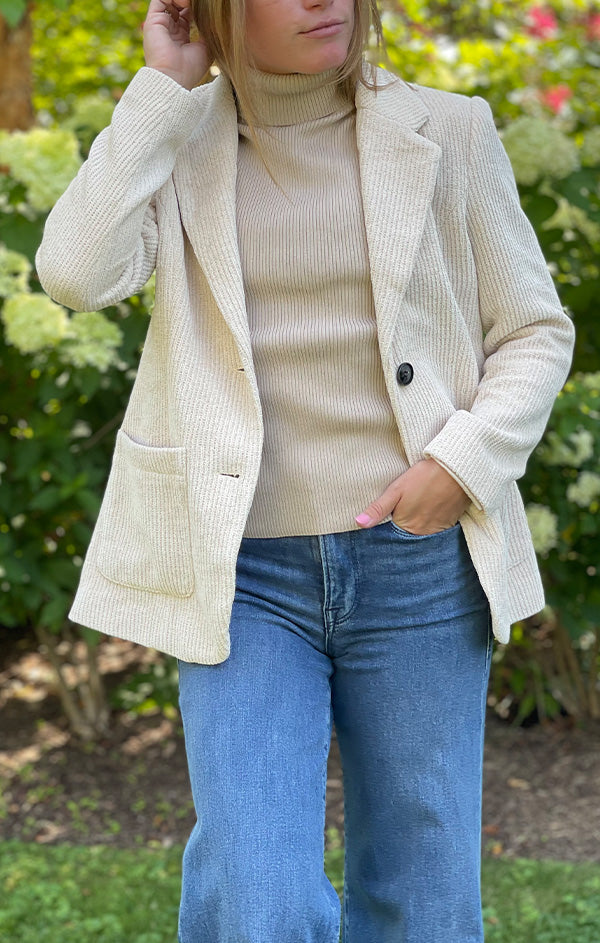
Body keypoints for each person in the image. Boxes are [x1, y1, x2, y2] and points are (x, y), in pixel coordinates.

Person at [35, 0, 575, 939]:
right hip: (243, 573)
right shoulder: (176, 140)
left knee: (422, 895)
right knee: (259, 896)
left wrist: (463, 462)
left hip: (419, 561)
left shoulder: (450, 129)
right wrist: (163, 87)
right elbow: (77, 275)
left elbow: (534, 329)